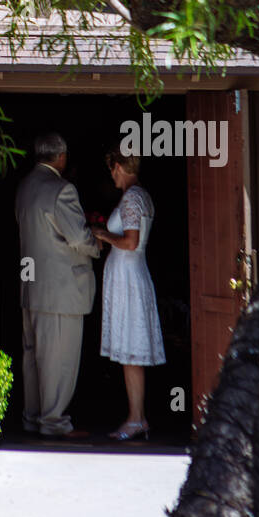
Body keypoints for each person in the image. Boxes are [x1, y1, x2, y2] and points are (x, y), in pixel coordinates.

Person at [15, 132, 102, 438]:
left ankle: (33, 417)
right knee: (58, 359)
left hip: (32, 287)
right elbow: (78, 237)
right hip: (61, 289)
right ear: (61, 157)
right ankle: (53, 422)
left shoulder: (25, 186)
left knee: (34, 357)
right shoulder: (61, 189)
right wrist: (98, 244)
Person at [94, 147, 166, 442]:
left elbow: (131, 242)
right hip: (132, 276)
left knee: (131, 352)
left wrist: (102, 233)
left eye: (112, 168)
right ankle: (137, 417)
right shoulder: (141, 195)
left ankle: (137, 418)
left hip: (129, 278)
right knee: (130, 352)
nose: (111, 174)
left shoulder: (132, 197)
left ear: (120, 167)